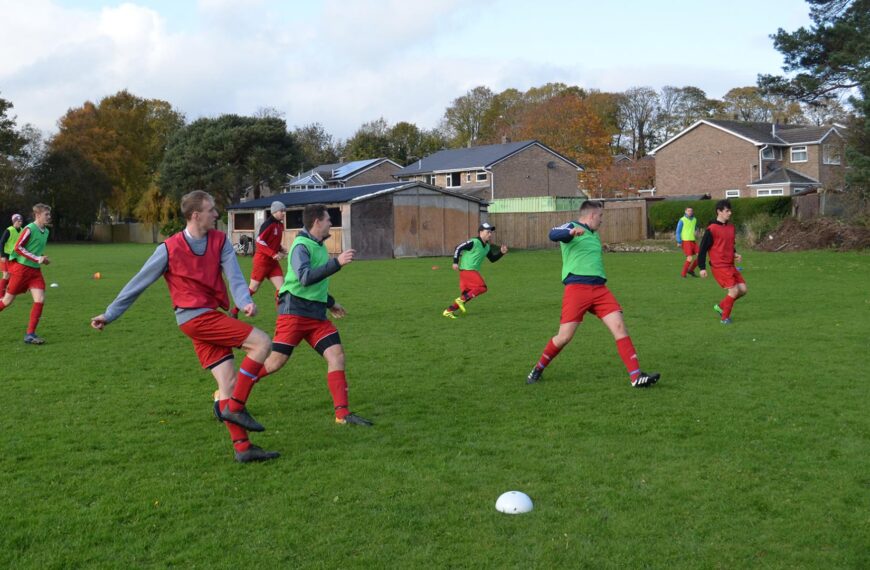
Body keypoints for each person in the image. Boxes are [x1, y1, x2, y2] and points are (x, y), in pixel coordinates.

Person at [90, 190, 279, 463]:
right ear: (196, 215)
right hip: (195, 318)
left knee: (228, 382)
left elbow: (236, 277)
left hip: (207, 317)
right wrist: (109, 314)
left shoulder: (220, 240)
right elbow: (138, 283)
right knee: (262, 343)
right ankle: (236, 407)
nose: (217, 214)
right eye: (212, 209)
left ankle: (243, 448)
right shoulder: (168, 248)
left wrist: (245, 301)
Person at [255, 203, 372, 426]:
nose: (331, 223)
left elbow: (315, 286)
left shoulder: (318, 246)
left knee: (336, 356)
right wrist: (336, 263)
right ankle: (232, 391)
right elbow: (305, 278)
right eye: (329, 219)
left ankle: (342, 415)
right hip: (295, 314)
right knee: (274, 363)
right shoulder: (301, 246)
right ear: (317, 222)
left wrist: (330, 302)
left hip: (316, 317)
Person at [527, 200, 660, 387]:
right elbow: (552, 234)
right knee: (564, 336)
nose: (602, 220)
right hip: (577, 289)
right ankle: (538, 368)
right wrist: (571, 232)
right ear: (591, 215)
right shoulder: (572, 226)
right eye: (600, 216)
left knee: (620, 327)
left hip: (600, 290)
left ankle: (636, 377)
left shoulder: (594, 235)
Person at [0, 205, 52, 344]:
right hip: (21, 271)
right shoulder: (29, 229)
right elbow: (18, 247)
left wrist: (42, 258)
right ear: (38, 215)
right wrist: (37, 258)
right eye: (46, 214)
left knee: (40, 299)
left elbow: (34, 251)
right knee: (6, 301)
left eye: (49, 214)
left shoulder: (46, 231)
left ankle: (30, 334)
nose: (49, 217)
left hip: (35, 272)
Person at [230, 201, 288, 318]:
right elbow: (260, 241)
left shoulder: (279, 225)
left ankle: (282, 316)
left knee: (282, 289)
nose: (283, 213)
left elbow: (271, 241)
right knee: (252, 289)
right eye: (281, 211)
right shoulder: (268, 224)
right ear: (274, 212)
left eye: (284, 211)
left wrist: (280, 248)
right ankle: (234, 311)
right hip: (262, 262)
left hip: (272, 263)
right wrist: (272, 253)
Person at [442, 222, 508, 319]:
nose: (490, 234)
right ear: (480, 232)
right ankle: (459, 301)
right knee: (482, 287)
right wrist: (455, 262)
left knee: (466, 295)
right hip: (467, 270)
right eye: (488, 232)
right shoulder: (474, 242)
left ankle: (448, 311)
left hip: (469, 272)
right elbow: (458, 248)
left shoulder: (487, 246)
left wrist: (501, 253)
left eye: (491, 232)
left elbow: (492, 259)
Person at [698, 199, 746, 325]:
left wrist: (735, 253)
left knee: (743, 290)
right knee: (734, 291)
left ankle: (720, 306)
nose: (730, 213)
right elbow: (702, 250)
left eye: (730, 210)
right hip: (719, 266)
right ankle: (724, 318)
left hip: (730, 265)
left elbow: (729, 243)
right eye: (727, 211)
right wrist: (702, 268)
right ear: (719, 212)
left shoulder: (730, 227)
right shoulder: (711, 229)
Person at [0, 213, 24, 297]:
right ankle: (1, 295)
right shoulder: (9, 230)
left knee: (14, 275)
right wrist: (2, 255)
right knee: (6, 274)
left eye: (21, 221)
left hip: (14, 256)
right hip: (6, 255)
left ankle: (9, 291)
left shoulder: (22, 230)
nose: (20, 222)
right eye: (18, 221)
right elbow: (2, 242)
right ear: (14, 222)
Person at [675, 206, 699, 278]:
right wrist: (679, 241)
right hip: (685, 241)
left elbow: (695, 227)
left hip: (693, 241)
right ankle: (683, 274)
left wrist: (697, 231)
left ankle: (691, 270)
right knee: (689, 258)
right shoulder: (682, 220)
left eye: (691, 211)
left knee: (701, 256)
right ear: (685, 211)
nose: (690, 212)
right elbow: (678, 231)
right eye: (688, 211)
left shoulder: (694, 219)